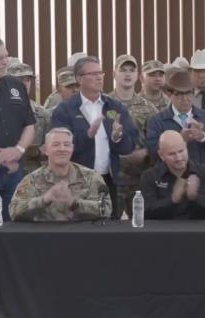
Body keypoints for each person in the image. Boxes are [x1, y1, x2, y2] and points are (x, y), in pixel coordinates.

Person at [50, 56, 139, 219]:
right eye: (93, 73)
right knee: (79, 232)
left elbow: (130, 145)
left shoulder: (114, 106)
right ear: (79, 78)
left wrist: (118, 137)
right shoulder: (65, 110)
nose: (99, 77)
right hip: (76, 182)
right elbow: (58, 148)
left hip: (109, 181)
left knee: (108, 233)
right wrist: (88, 135)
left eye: (100, 73)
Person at [9, 127, 112, 221]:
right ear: (45, 150)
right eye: (56, 144)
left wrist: (74, 204)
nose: (62, 149)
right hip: (45, 237)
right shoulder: (32, 179)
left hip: (82, 237)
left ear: (72, 148)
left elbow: (106, 210)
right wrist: (44, 200)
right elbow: (14, 212)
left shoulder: (91, 177)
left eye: (66, 145)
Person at [0, 36, 36, 221]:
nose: (5, 61)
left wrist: (18, 150)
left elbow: (29, 125)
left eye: (6, 56)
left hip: (14, 170)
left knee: (13, 224)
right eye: (0, 58)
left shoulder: (16, 86)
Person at [108, 54, 159, 215]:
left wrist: (145, 152)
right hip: (111, 178)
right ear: (114, 74)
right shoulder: (104, 104)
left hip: (139, 180)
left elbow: (156, 140)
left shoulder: (148, 108)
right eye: (123, 70)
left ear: (138, 75)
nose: (128, 74)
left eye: (132, 70)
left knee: (140, 228)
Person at [146, 69, 205, 167]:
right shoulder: (157, 121)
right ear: (169, 94)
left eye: (188, 93)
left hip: (203, 176)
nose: (185, 99)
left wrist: (202, 137)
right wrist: (179, 139)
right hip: (170, 177)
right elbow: (153, 152)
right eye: (179, 94)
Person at [140, 130, 205, 219]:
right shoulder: (150, 176)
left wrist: (194, 197)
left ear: (186, 148)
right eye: (172, 154)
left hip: (197, 231)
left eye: (181, 151)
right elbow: (146, 213)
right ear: (161, 155)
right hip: (163, 230)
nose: (178, 158)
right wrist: (173, 200)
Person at [7, 61, 49, 175]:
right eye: (20, 80)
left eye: (28, 79)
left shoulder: (41, 112)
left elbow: (49, 148)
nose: (25, 83)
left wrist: (36, 152)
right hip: (2, 175)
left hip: (32, 177)